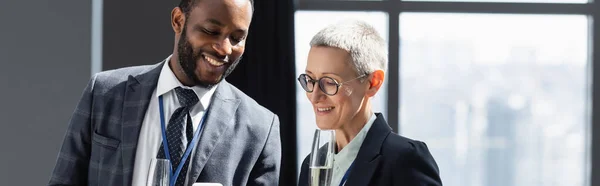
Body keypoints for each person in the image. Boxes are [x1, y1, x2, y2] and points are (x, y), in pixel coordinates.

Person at [48, 0, 281, 185]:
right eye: (211, 31)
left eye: (237, 38)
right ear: (179, 20)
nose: (224, 48)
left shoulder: (260, 127)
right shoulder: (105, 92)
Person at [297, 20, 442, 186]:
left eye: (330, 82)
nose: (314, 96)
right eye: (309, 79)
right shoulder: (311, 164)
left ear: (373, 83)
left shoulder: (405, 159)